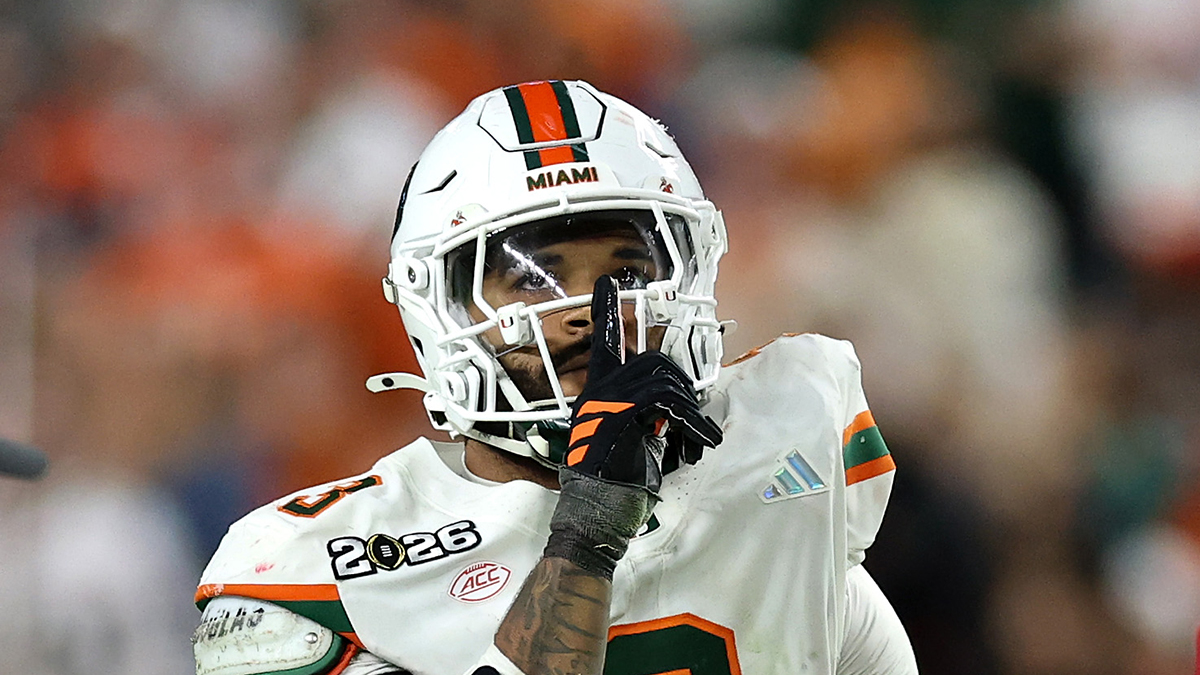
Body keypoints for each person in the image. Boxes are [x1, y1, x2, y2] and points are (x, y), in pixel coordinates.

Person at [193, 80, 917, 675]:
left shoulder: (774, 453)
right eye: (532, 279)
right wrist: (586, 532)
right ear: (436, 308)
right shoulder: (308, 575)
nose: (584, 311)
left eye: (627, 272)